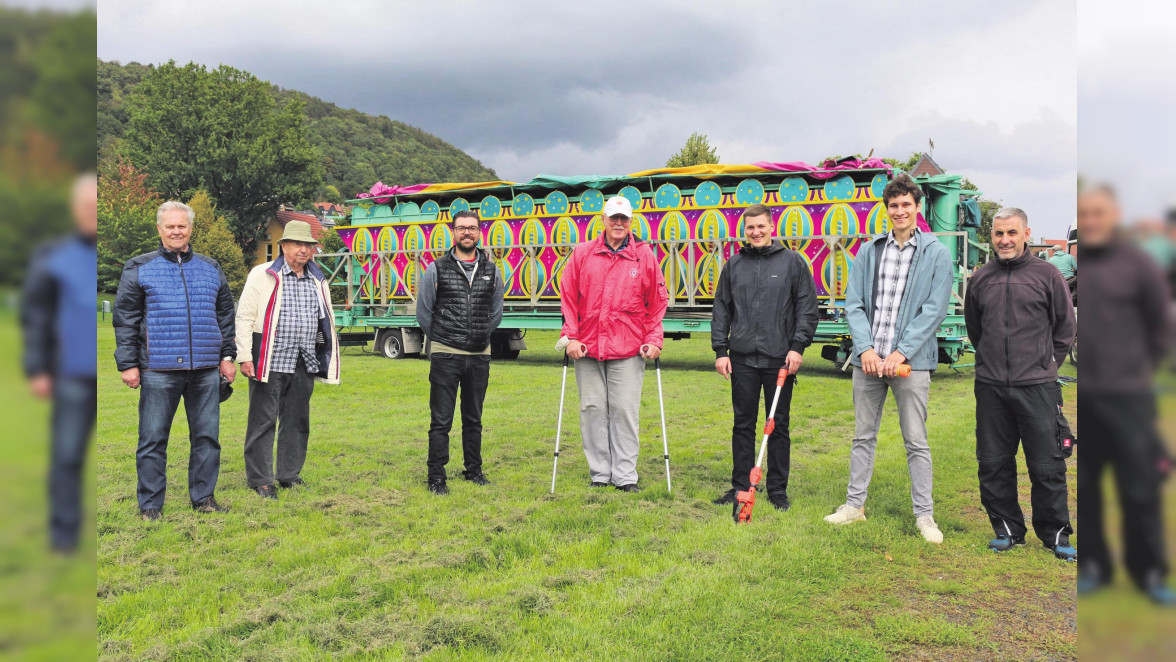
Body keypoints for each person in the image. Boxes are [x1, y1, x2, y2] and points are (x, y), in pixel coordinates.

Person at [824, 174, 952, 544]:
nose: (899, 211)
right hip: (869, 361)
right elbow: (855, 303)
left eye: (906, 205)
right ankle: (854, 506)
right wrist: (864, 349)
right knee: (863, 436)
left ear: (918, 207)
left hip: (910, 364)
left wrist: (900, 352)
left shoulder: (936, 253)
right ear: (887, 209)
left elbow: (934, 309)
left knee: (916, 440)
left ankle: (924, 516)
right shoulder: (869, 250)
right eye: (893, 205)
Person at [1077, 184, 1175, 605]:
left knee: (1139, 487)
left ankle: (1149, 571)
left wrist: (1138, 371)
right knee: (1089, 489)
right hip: (1087, 399)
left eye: (1099, 212)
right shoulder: (1079, 267)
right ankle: (1094, 566)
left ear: (1113, 214)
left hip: (1129, 397)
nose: (1092, 221)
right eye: (1085, 213)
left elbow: (1160, 325)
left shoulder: (1138, 263)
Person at [964, 207, 1077, 560]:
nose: (1005, 240)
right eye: (998, 234)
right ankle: (1007, 529)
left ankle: (1055, 534)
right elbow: (974, 329)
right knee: (994, 461)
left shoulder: (1047, 275)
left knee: (1047, 464)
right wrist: (989, 363)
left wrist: (1046, 364)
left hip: (1038, 387)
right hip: (991, 387)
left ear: (1026, 233)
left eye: (1012, 233)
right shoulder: (981, 279)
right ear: (992, 236)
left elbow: (1065, 327)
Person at [113, 200, 236, 521]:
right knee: (153, 439)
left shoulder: (211, 268)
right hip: (158, 369)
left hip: (206, 370)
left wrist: (227, 356)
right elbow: (125, 318)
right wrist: (128, 363)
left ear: (191, 228)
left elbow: (225, 315)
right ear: (160, 229)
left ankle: (204, 498)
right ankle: (151, 504)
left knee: (207, 438)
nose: (177, 231)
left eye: (182, 225)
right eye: (170, 226)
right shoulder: (139, 267)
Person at [710, 203, 818, 512]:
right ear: (744, 231)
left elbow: (807, 309)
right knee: (742, 423)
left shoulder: (792, 263)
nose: (755, 232)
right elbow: (722, 309)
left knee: (778, 425)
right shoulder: (733, 265)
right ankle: (740, 485)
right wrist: (721, 350)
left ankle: (777, 491)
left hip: (779, 360)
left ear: (772, 227)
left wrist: (798, 346)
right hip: (742, 358)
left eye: (761, 226)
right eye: (750, 228)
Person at [559, 195, 668, 492]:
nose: (618, 223)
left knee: (623, 410)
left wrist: (653, 339)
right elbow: (568, 297)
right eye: (613, 218)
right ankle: (599, 473)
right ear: (603, 220)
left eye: (624, 218)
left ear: (631, 222)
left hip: (628, 346)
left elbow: (657, 302)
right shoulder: (582, 253)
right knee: (592, 408)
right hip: (588, 347)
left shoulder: (644, 255)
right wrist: (571, 336)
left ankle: (624, 476)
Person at [236, 221, 341, 500]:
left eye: (308, 245)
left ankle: (288, 474)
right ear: (284, 246)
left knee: (297, 420)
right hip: (269, 358)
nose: (303, 250)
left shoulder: (318, 279)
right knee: (263, 420)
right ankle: (261, 479)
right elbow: (244, 317)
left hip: (304, 359)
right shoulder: (262, 274)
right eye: (297, 244)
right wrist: (245, 356)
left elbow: (325, 320)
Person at [21, 174, 98, 552]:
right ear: (75, 210)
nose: (92, 214)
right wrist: (37, 367)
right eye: (86, 207)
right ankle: (64, 534)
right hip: (70, 375)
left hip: (114, 375)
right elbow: (35, 315)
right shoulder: (54, 255)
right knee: (67, 453)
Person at [416, 210, 505, 495]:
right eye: (461, 228)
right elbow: (424, 313)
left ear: (480, 232)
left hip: (479, 355)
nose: (467, 233)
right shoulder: (437, 268)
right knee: (441, 420)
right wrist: (445, 338)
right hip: (445, 354)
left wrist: (477, 336)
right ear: (452, 232)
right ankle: (436, 476)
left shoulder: (492, 270)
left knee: (473, 418)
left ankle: (474, 471)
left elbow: (496, 313)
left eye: (472, 228)